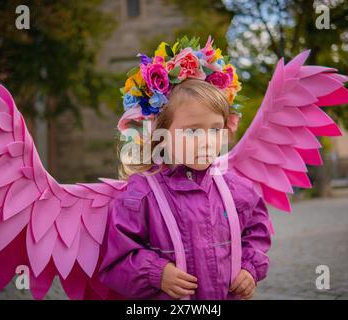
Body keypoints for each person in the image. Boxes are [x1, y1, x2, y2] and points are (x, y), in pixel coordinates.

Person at [97, 75, 272, 300]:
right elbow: (118, 259)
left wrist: (250, 267)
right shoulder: (141, 195)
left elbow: (257, 231)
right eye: (192, 131)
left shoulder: (235, 188)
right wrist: (155, 272)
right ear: (160, 135)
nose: (207, 141)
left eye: (215, 129)